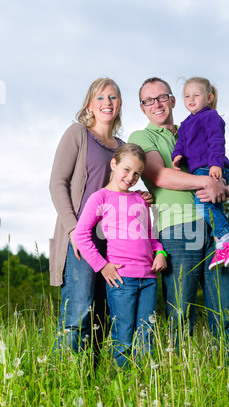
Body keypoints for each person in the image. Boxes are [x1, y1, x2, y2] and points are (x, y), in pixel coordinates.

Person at [128, 77, 229, 351]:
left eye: (162, 97)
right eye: (148, 100)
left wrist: (223, 188)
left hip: (215, 227)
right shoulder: (143, 137)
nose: (156, 104)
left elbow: (218, 171)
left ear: (173, 100)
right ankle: (179, 377)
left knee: (225, 307)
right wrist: (207, 183)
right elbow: (160, 175)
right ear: (142, 108)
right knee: (180, 312)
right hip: (179, 229)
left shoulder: (193, 126)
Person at [49, 78, 151, 354]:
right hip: (82, 238)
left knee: (103, 313)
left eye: (113, 97)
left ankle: (93, 379)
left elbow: (121, 187)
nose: (107, 103)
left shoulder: (122, 146)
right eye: (101, 98)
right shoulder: (78, 134)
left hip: (116, 241)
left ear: (119, 105)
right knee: (79, 309)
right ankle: (69, 378)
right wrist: (73, 231)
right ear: (90, 105)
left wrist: (138, 198)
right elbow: (57, 183)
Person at [73, 143, 167, 368]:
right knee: (123, 335)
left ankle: (143, 385)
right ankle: (123, 387)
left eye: (137, 174)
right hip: (121, 279)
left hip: (149, 279)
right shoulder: (100, 198)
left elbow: (149, 235)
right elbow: (81, 234)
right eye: (126, 169)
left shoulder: (139, 200)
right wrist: (102, 266)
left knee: (146, 335)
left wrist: (160, 251)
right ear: (113, 164)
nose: (131, 177)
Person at [172, 77, 229, 271]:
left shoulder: (210, 116)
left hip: (213, 167)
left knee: (201, 202)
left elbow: (216, 141)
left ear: (209, 97)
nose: (191, 99)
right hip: (202, 169)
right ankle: (221, 246)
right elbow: (182, 142)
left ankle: (227, 236)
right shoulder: (186, 123)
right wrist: (177, 154)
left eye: (196, 95)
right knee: (213, 205)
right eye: (187, 96)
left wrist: (215, 164)